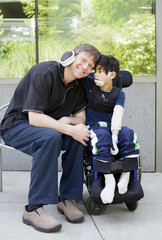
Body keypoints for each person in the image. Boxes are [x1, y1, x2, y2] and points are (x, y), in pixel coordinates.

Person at [0, 43, 101, 233]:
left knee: (79, 137)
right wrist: (66, 127)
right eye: (83, 60)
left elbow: (80, 119)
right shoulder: (43, 72)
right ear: (71, 56)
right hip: (17, 126)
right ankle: (33, 209)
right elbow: (34, 117)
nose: (86, 67)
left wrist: (67, 122)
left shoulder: (78, 87)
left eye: (91, 66)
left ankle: (67, 199)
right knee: (51, 138)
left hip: (50, 128)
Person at [80, 55, 140, 204]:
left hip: (113, 127)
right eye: (96, 70)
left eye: (100, 71)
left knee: (128, 134)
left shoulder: (119, 94)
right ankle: (109, 181)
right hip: (95, 127)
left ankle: (126, 176)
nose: (96, 74)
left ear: (111, 75)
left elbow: (118, 114)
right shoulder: (90, 85)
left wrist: (115, 135)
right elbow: (79, 74)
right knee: (101, 137)